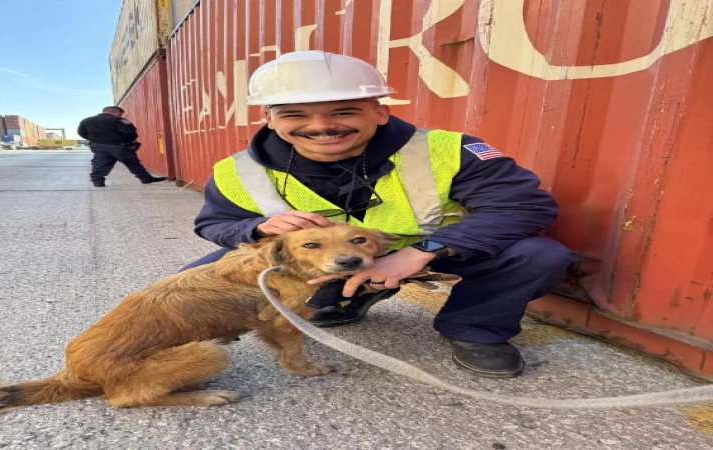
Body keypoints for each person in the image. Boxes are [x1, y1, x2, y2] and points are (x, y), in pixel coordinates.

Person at [184, 51, 580, 378]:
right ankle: (342, 298)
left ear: (379, 111)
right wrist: (255, 226)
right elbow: (214, 223)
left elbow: (525, 205)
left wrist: (425, 250)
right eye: (295, 114)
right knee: (190, 281)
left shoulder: (447, 150)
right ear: (269, 118)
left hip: (432, 256)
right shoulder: (238, 169)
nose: (321, 127)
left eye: (344, 111)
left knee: (540, 255)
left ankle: (476, 328)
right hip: (320, 263)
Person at [77, 106, 167, 187]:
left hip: (98, 146)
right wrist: (129, 140)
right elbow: (130, 131)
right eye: (120, 114)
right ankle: (146, 179)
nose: (120, 115)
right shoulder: (117, 120)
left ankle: (98, 181)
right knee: (132, 162)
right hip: (118, 146)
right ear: (116, 112)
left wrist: (95, 140)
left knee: (100, 162)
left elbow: (81, 133)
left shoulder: (86, 121)